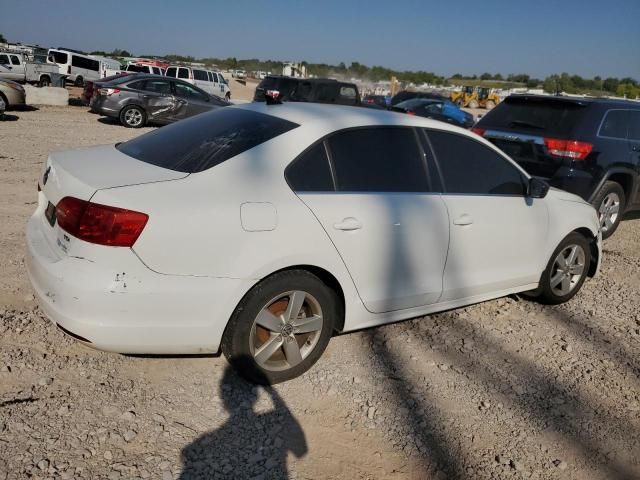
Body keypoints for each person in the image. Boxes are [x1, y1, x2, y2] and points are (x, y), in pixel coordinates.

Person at [179, 361, 307, 479]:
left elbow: (186, 455)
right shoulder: (270, 417)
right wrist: (272, 393)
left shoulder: (205, 440)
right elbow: (301, 451)